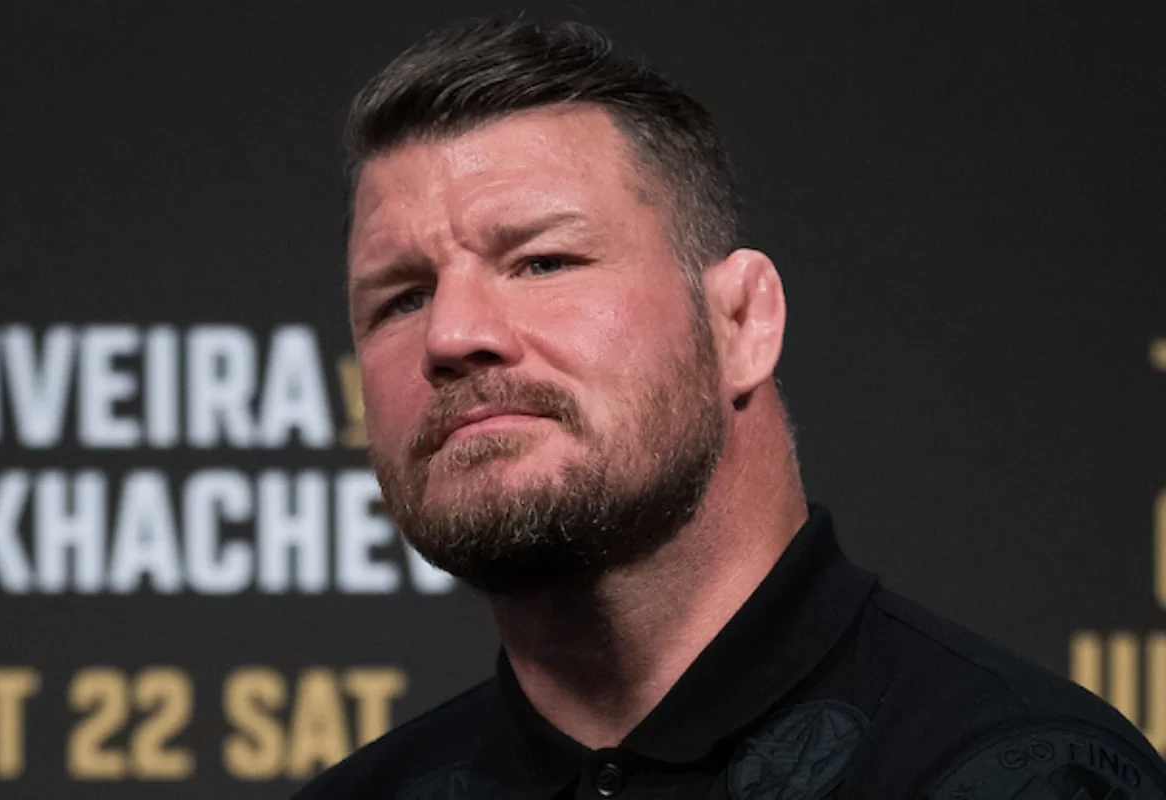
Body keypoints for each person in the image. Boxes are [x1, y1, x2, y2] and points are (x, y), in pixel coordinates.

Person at [297, 17, 1166, 800]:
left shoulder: (1016, 772)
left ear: (742, 322)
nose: (452, 334)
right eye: (402, 299)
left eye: (543, 262)